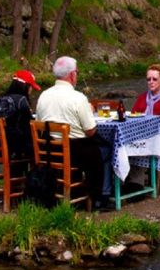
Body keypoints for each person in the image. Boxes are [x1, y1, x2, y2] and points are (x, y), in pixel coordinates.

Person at [34, 56, 108, 208]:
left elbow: (39, 124)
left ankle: (74, 191)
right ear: (73, 75)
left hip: (49, 150)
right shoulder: (78, 98)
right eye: (77, 72)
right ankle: (99, 197)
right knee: (104, 149)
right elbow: (90, 131)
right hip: (74, 152)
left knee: (91, 149)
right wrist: (88, 111)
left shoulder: (43, 96)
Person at [0, 69, 40, 160]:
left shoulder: (0, 98)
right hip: (15, 149)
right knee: (37, 145)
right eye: (30, 86)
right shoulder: (21, 100)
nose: (31, 90)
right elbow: (28, 123)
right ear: (25, 86)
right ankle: (35, 172)